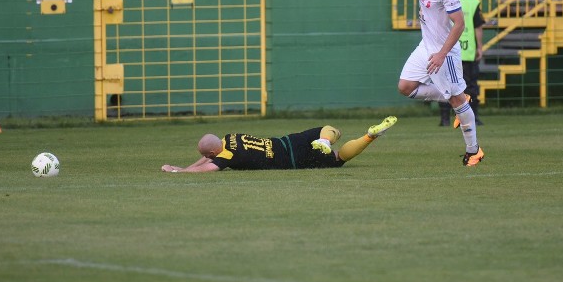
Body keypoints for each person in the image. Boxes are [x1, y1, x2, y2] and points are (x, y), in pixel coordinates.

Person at [384, 0, 484, 166]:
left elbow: (459, 24)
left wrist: (441, 54)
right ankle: (458, 100)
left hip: (444, 53)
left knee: (457, 100)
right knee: (405, 87)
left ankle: (473, 149)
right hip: (426, 47)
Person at [161, 116, 397, 173]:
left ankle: (369, 137)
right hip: (288, 140)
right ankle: (325, 138)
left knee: (337, 159)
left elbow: (209, 165)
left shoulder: (227, 156)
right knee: (327, 130)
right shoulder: (230, 137)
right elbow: (209, 157)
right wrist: (185, 167)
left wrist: (180, 172)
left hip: (292, 159)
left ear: (214, 152)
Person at [438, 0, 485, 127]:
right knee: (470, 86)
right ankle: (474, 117)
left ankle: (445, 119)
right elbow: (478, 27)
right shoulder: (473, 2)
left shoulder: (444, 0)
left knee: (446, 85)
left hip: (448, 51)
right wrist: (480, 47)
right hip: (467, 52)